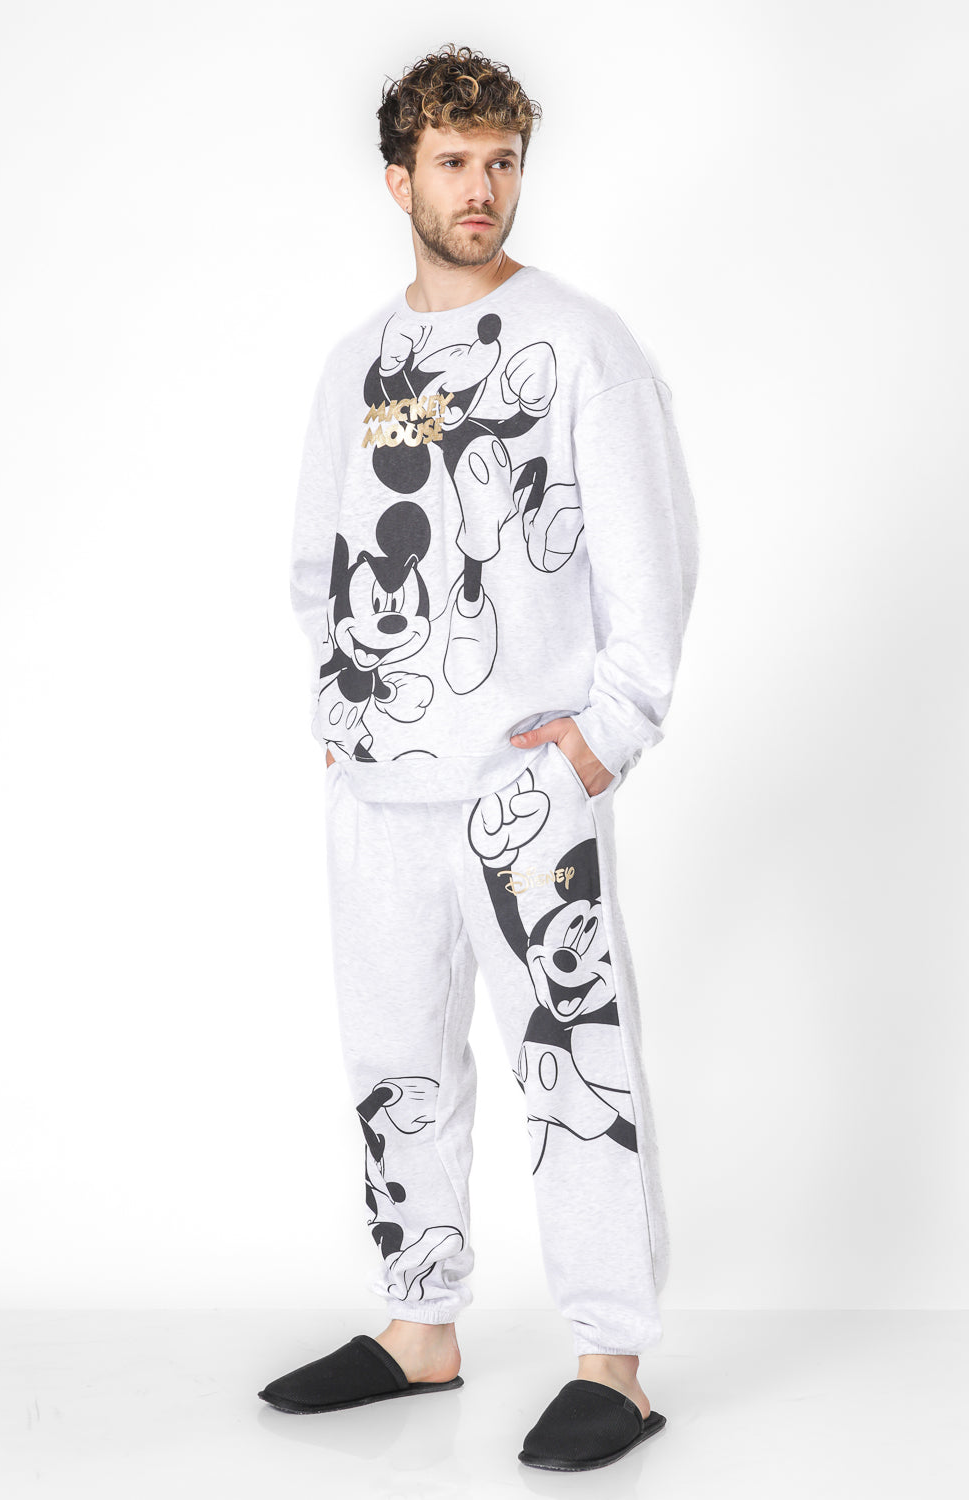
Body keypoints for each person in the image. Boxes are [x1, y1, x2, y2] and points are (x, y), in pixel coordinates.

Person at [258, 41, 700, 1473]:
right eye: (453, 162)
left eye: (503, 161)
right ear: (399, 178)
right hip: (381, 787)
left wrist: (602, 740)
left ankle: (613, 1360)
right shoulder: (359, 364)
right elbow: (321, 558)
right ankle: (420, 1326)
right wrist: (343, 710)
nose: (483, 189)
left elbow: (651, 563)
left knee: (572, 1061)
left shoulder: (580, 345)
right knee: (396, 1059)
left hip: (526, 788)